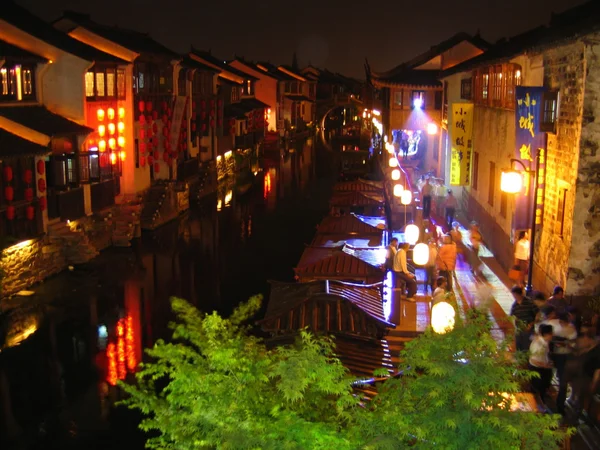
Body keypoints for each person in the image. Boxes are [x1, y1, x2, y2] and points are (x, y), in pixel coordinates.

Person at [541, 312, 577, 415]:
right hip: (551, 354)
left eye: (565, 322)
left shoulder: (572, 329)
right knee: (546, 375)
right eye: (562, 322)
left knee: (563, 381)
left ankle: (560, 405)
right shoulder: (552, 323)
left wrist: (566, 344)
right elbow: (542, 331)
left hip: (564, 356)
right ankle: (544, 399)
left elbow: (573, 344)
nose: (563, 324)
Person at [529, 323, 554, 406]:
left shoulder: (545, 342)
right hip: (536, 369)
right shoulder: (538, 344)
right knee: (537, 389)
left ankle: (541, 403)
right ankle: (535, 405)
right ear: (547, 334)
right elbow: (533, 359)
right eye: (551, 333)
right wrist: (545, 365)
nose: (552, 335)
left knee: (542, 388)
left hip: (543, 368)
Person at [510, 286, 537, 352]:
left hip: (528, 328)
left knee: (526, 346)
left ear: (520, 294)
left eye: (516, 295)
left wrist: (531, 324)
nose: (515, 297)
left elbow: (538, 314)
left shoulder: (529, 302)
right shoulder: (514, 305)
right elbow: (512, 316)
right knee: (519, 346)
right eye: (514, 295)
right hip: (519, 329)